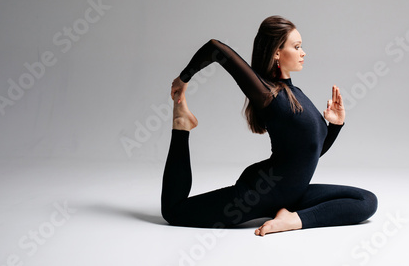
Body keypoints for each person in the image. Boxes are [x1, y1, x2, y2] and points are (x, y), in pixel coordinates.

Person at [161, 16, 377, 236]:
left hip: (292, 193)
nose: (303, 53)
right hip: (258, 194)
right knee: (173, 211)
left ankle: (293, 219)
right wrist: (184, 78)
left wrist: (336, 125)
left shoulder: (296, 94)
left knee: (367, 200)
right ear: (276, 52)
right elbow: (216, 48)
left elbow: (310, 152)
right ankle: (181, 125)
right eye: (297, 47)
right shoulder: (267, 94)